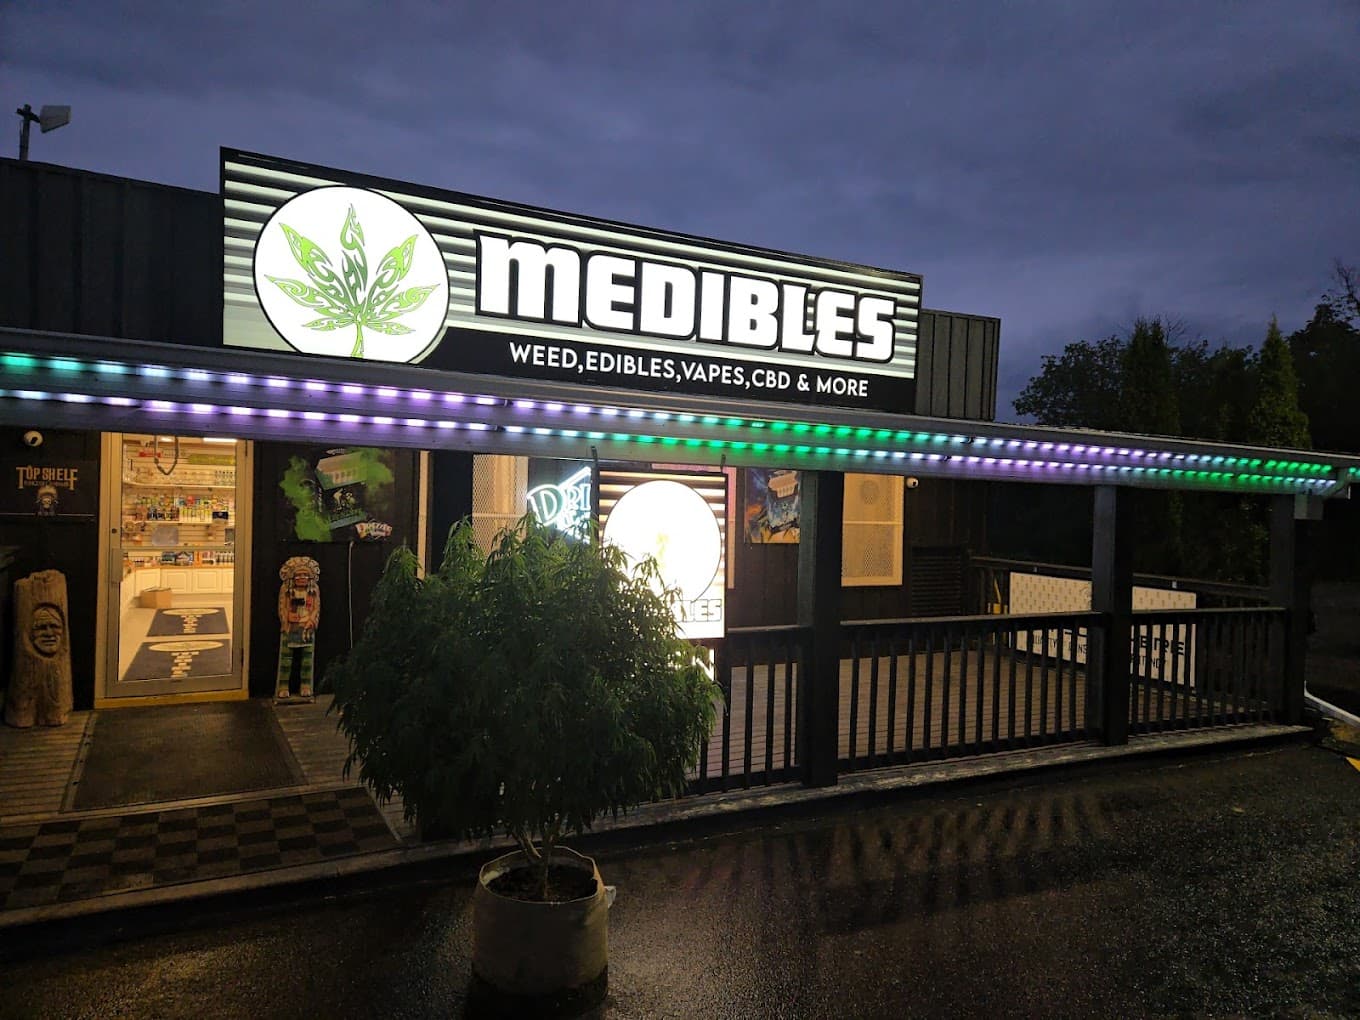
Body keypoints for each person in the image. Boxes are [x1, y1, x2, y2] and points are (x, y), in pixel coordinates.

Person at [276, 556, 320, 701]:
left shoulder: (313, 591)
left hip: (306, 628)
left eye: (305, 575)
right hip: (290, 628)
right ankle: (283, 686)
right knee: (286, 659)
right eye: (298, 575)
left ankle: (306, 686)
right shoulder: (286, 590)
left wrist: (311, 620)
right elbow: (282, 606)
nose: (302, 578)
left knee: (307, 660)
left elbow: (316, 607)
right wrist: (286, 617)